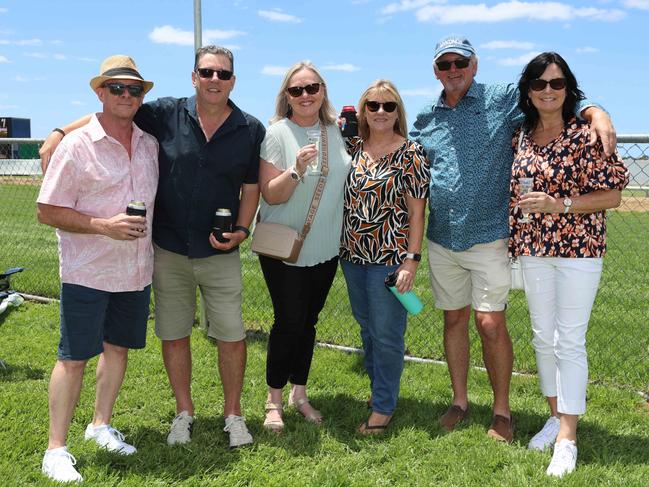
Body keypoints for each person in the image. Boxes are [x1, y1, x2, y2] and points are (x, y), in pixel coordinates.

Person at [39, 45, 265, 449]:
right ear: (193, 76)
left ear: (233, 80)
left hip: (213, 254)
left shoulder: (249, 128)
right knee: (172, 336)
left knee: (230, 336)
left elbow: (251, 187)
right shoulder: (164, 113)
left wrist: (243, 230)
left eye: (223, 74)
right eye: (207, 72)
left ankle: (233, 415)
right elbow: (104, 117)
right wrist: (59, 132)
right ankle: (183, 413)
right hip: (167, 251)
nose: (214, 80)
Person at [409, 35, 617, 443]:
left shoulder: (502, 98)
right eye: (445, 64)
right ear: (435, 70)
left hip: (491, 235)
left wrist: (598, 114)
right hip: (442, 237)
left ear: (475, 65)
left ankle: (502, 411)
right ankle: (460, 400)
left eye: (460, 63)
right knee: (454, 319)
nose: (453, 70)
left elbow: (557, 92)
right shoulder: (424, 116)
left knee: (490, 322)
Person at [37, 55, 158, 483]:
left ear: (144, 95)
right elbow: (47, 210)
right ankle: (56, 448)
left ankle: (100, 425)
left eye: (134, 89)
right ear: (100, 92)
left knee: (118, 349)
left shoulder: (149, 143)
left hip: (134, 270)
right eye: (117, 88)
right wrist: (102, 226)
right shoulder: (76, 145)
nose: (126, 95)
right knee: (73, 358)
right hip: (87, 270)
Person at [510, 52, 628, 477]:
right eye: (539, 83)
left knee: (569, 341)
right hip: (533, 248)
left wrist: (557, 204)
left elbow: (612, 195)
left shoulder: (586, 134)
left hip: (578, 250)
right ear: (528, 89)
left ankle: (568, 437)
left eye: (556, 84)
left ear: (568, 89)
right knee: (543, 338)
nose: (547, 90)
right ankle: (555, 415)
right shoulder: (521, 136)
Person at [258, 61, 350, 432]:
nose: (306, 95)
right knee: (288, 322)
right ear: (287, 97)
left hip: (327, 246)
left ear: (323, 91)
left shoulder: (335, 131)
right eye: (297, 90)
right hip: (285, 248)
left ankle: (300, 393)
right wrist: (295, 169)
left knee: (308, 323)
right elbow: (271, 193)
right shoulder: (277, 133)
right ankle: (273, 400)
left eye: (312, 87)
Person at [340, 80, 429, 434]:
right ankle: (381, 391)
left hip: (391, 260)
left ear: (398, 112)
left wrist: (412, 261)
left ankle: (383, 407)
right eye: (373, 105)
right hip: (352, 257)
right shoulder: (353, 148)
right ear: (363, 111)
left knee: (387, 333)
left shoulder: (411, 153)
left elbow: (418, 213)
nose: (380, 112)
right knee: (367, 329)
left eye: (388, 106)